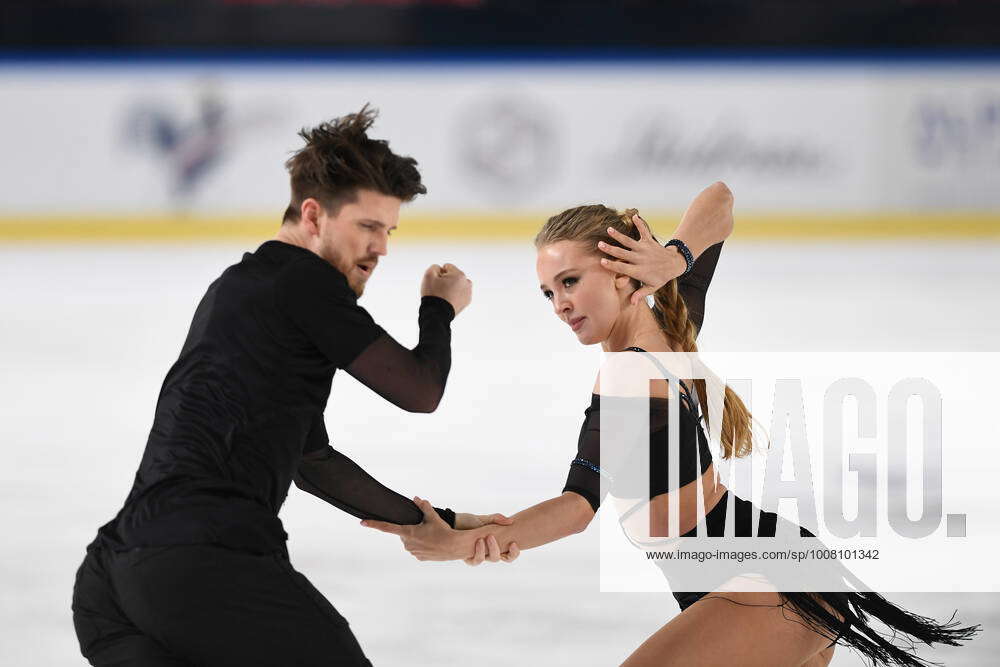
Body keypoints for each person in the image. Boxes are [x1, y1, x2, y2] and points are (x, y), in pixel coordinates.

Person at [364, 183, 979, 666]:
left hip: (765, 581)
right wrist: (479, 528)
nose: (561, 306)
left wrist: (458, 547)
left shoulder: (634, 370)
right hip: (777, 573)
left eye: (571, 281)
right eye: (548, 293)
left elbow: (579, 506)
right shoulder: (672, 319)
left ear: (624, 267)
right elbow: (721, 202)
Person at [71, 105, 509, 667]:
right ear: (313, 215)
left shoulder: (246, 288)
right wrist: (438, 309)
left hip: (116, 581)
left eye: (390, 230)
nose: (382, 248)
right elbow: (419, 391)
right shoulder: (304, 283)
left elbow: (311, 460)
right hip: (203, 563)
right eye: (368, 227)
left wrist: (429, 522)